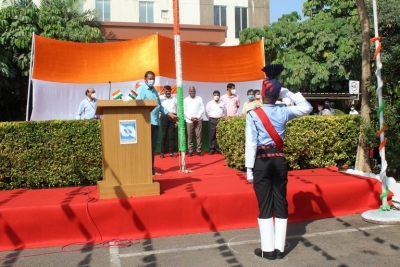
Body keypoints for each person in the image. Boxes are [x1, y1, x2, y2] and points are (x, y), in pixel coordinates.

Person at [245, 64, 312, 261]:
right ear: (277, 94)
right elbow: (307, 107)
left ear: (261, 94)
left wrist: (249, 169)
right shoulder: (284, 111)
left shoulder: (253, 114)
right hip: (279, 160)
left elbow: (251, 143)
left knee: (265, 204)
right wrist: (287, 92)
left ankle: (268, 251)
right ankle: (280, 249)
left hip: (261, 162)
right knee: (281, 202)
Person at [136, 71, 178, 176]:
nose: (152, 81)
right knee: (145, 147)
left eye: (153, 79)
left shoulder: (155, 91)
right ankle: (143, 170)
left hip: (155, 123)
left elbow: (160, 106)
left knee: (153, 147)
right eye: (150, 78)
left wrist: (170, 114)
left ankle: (151, 169)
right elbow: (136, 105)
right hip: (145, 122)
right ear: (145, 79)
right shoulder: (141, 90)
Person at [184, 86, 205, 156]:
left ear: (195, 92)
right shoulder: (185, 100)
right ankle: (190, 151)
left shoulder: (199, 98)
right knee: (190, 136)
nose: (192, 92)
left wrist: (198, 117)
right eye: (191, 91)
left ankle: (199, 150)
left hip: (198, 119)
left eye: (193, 91)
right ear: (188, 92)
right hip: (189, 120)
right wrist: (190, 118)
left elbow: (202, 108)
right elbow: (184, 111)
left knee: (199, 135)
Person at [205, 90, 226, 155]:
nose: (216, 96)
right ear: (212, 96)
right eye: (215, 95)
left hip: (220, 120)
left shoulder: (222, 103)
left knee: (219, 135)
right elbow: (206, 112)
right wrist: (211, 118)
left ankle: (219, 148)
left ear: (219, 96)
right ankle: (212, 148)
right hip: (212, 120)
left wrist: (221, 118)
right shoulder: (209, 103)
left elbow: (225, 112)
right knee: (212, 135)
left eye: (217, 95)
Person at [159, 85, 177, 158]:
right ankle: (162, 152)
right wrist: (161, 92)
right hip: (164, 117)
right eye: (166, 91)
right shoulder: (161, 99)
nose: (167, 92)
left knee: (171, 136)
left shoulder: (174, 99)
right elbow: (155, 98)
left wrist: (177, 120)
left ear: (170, 91)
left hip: (173, 117)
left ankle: (171, 152)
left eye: (169, 90)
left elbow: (178, 109)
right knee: (164, 135)